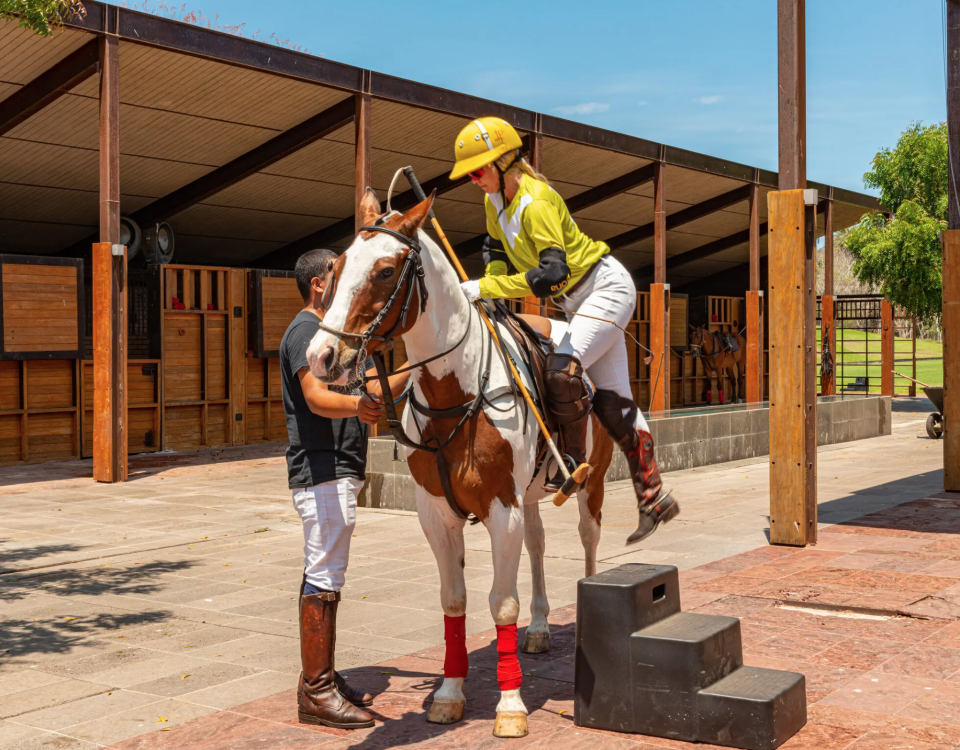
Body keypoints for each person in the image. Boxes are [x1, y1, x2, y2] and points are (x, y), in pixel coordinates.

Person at [449, 117, 679, 544]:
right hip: (580, 300)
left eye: (478, 171)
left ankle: (572, 459)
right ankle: (654, 497)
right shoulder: (494, 200)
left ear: (502, 162)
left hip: (604, 288)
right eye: (470, 175)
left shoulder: (536, 202)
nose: (474, 181)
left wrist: (486, 286)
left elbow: (552, 276)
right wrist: (494, 283)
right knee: (615, 402)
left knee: (562, 369)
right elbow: (495, 249)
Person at [280, 248, 407, 729]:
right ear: (318, 284)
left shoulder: (337, 337)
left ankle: (322, 678)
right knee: (324, 577)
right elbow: (315, 398)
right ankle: (316, 692)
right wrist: (357, 407)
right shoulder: (305, 333)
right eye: (338, 271)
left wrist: (422, 369)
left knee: (326, 575)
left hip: (338, 470)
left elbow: (373, 385)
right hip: (321, 469)